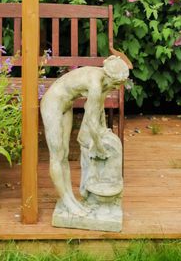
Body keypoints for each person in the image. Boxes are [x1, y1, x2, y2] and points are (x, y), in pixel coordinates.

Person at [40, 55, 130, 217]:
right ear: (112, 78)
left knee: (65, 154)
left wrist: (102, 132)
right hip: (52, 103)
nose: (116, 88)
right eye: (117, 84)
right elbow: (90, 120)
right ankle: (67, 200)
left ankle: (71, 199)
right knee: (57, 155)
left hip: (66, 105)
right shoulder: (95, 84)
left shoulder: (104, 80)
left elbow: (98, 108)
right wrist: (100, 147)